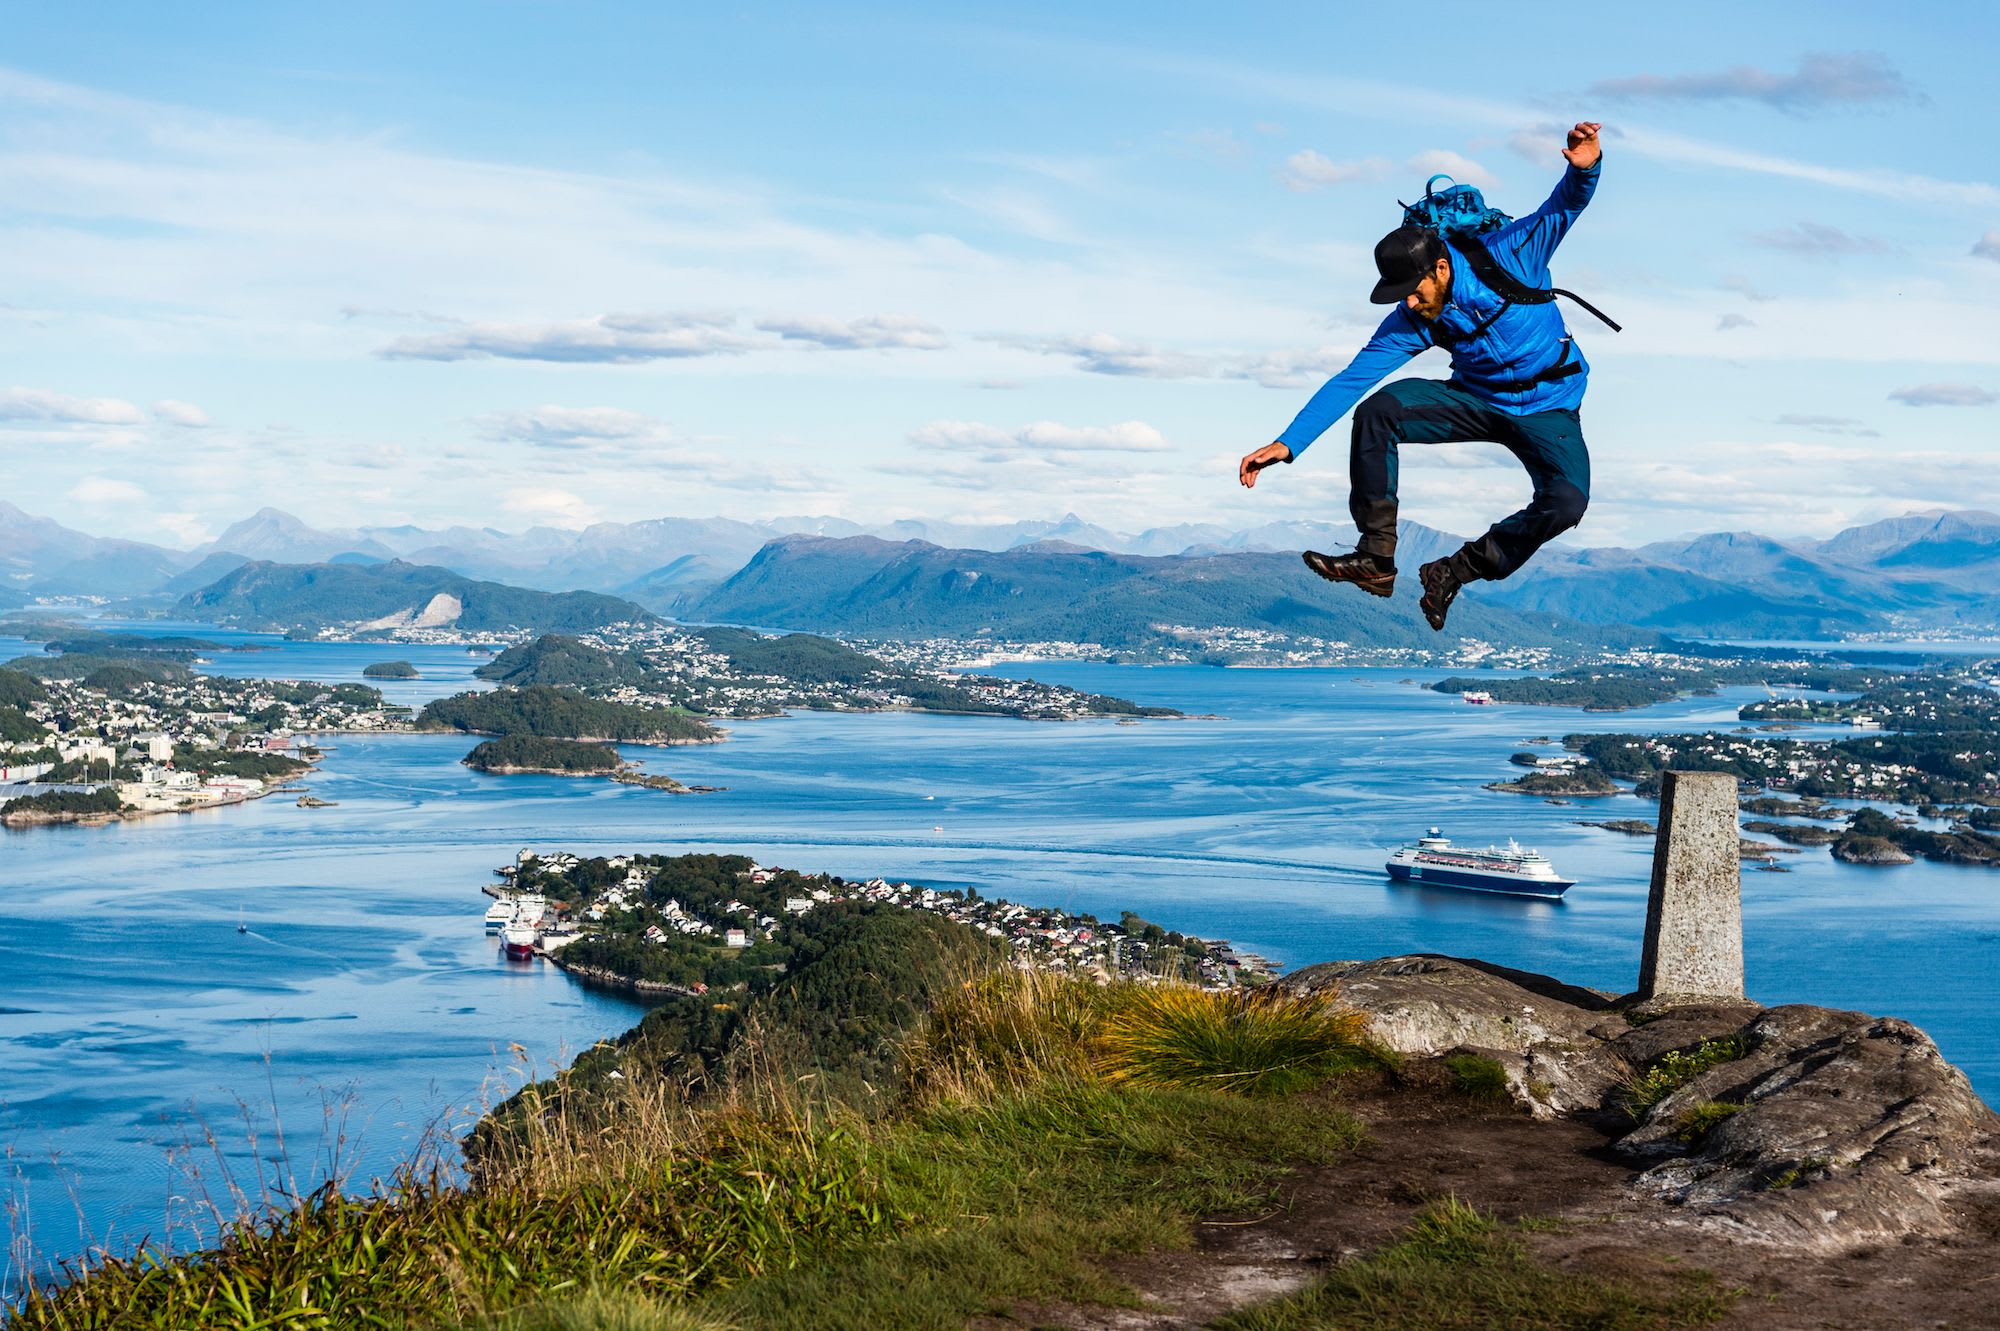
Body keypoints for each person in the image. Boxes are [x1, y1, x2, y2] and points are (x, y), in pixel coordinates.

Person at [1237, 121, 1604, 631]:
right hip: (1476, 400)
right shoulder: (1413, 318)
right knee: (1379, 411)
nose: (1409, 303)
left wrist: (1585, 168)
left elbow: (1564, 206)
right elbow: (1352, 379)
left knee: (1566, 503)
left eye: (1414, 289)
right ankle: (1376, 559)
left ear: (1440, 268)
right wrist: (1288, 442)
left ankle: (1453, 571)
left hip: (1550, 407)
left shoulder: (1513, 254)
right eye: (1399, 295)